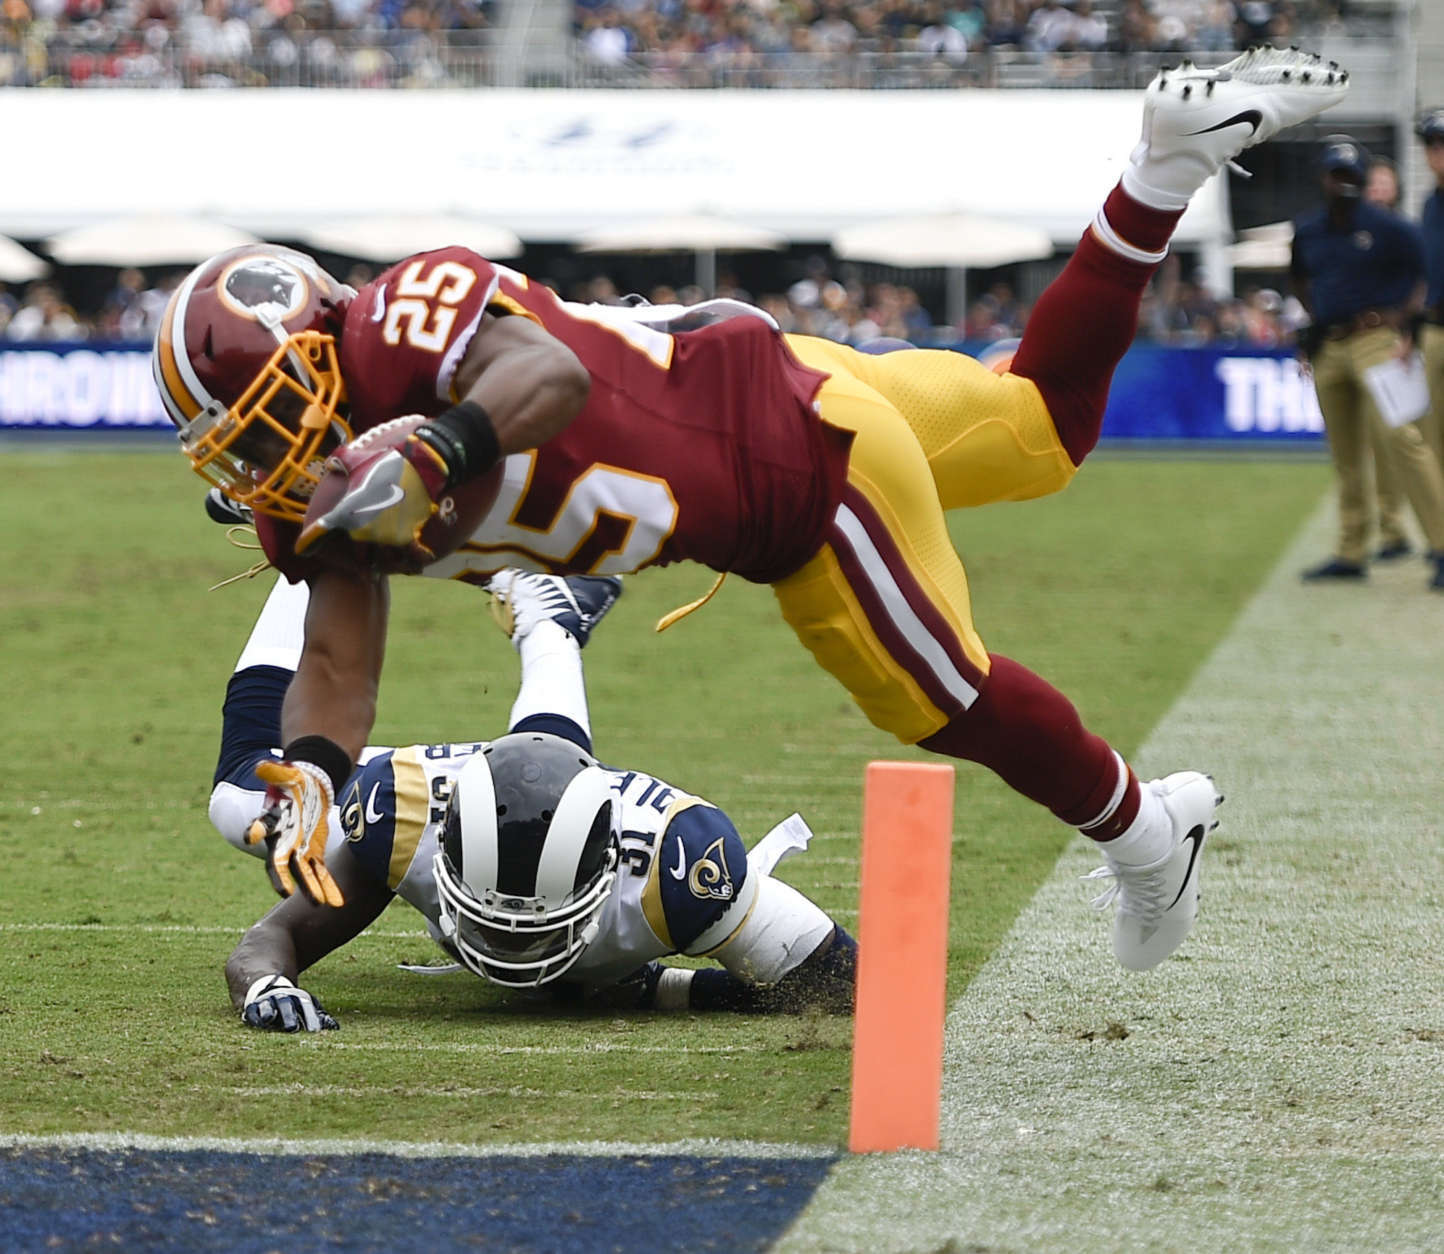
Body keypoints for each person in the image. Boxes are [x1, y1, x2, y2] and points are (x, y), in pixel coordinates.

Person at [155, 47, 1345, 973]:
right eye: (235, 449)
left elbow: (546, 378)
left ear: (317, 347)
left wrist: (436, 446)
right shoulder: (311, 507)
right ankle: (1160, 170)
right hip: (768, 370)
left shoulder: (403, 319)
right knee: (1037, 429)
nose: (263, 461)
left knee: (943, 695)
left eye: (264, 421)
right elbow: (336, 663)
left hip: (786, 467)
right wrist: (312, 774)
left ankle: (1147, 834)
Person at [221, 568, 857, 1032]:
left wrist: (666, 987)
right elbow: (268, 943)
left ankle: (548, 619)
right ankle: (309, 550)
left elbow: (850, 987)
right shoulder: (406, 816)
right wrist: (266, 988)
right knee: (242, 799)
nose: (508, 948)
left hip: (600, 818)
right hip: (467, 788)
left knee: (552, 766)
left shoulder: (681, 868)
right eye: (492, 923)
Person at [1292, 135, 1444, 589]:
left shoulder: (1389, 226)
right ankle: (1351, 550)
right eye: (1336, 174)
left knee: (1402, 438)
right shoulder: (1309, 230)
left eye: (1351, 175)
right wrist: (1313, 326)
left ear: (1361, 178)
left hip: (1378, 339)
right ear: (1323, 178)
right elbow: (1299, 279)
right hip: (1330, 344)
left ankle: (1441, 545)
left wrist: (1407, 328)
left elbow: (1424, 277)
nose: (1344, 183)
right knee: (1345, 453)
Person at [1359, 155, 1413, 560]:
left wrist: (1408, 333)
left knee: (1407, 439)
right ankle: (1391, 528)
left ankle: (1422, 531)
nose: (1378, 189)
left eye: (1384, 183)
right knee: (1380, 441)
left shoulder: (1405, 234)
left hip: (1401, 340)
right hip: (1366, 342)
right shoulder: (1352, 233)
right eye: (1372, 183)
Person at [1416, 108, 1444, 479]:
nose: (1437, 152)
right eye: (1431, 145)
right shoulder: (1429, 205)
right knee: (1432, 435)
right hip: (1434, 327)